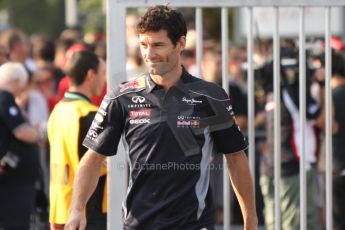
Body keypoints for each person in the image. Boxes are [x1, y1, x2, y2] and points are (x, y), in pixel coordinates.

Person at [65, 5, 257, 230]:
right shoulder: (121, 97)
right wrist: (77, 209)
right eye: (143, 45)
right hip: (139, 224)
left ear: (181, 44)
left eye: (158, 45)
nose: (149, 54)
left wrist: (250, 219)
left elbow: (236, 158)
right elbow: (93, 158)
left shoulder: (210, 96)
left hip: (194, 224)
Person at [47, 50, 107, 230]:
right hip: (87, 211)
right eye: (103, 73)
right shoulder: (89, 115)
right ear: (90, 75)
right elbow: (100, 164)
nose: (104, 80)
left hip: (61, 207)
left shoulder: (58, 110)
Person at [0, 62, 42, 229]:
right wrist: (38, 134)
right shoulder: (5, 97)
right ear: (17, 81)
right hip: (13, 178)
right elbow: (22, 132)